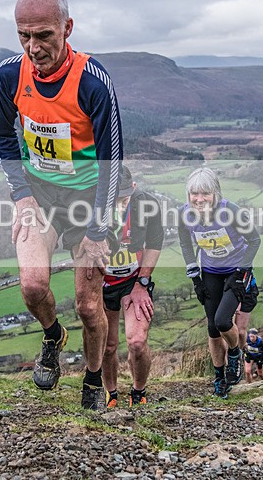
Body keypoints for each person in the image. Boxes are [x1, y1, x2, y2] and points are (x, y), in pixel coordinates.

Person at [0, 0, 123, 411]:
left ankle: (91, 381)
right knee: (32, 286)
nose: (34, 48)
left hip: (88, 203)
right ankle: (52, 335)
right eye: (24, 36)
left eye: (44, 35)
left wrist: (98, 231)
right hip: (42, 200)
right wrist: (21, 197)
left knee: (89, 306)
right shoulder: (9, 76)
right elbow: (2, 137)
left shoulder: (92, 82)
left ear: (67, 28)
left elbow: (112, 160)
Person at [177, 167, 261, 398]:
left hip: (236, 271)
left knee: (223, 320)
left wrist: (242, 271)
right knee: (213, 329)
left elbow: (254, 240)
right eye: (195, 194)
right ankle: (219, 377)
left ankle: (234, 353)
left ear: (215, 193)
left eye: (205, 193)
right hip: (210, 272)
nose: (200, 199)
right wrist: (195, 277)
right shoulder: (185, 214)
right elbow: (185, 244)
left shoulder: (230, 211)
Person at [102, 166, 163, 408]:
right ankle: (111, 394)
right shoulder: (89, 205)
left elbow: (155, 242)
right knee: (107, 346)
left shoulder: (148, 205)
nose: (119, 205)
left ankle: (138, 391)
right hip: (103, 283)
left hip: (133, 281)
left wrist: (142, 282)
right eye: (113, 200)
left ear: (134, 188)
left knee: (137, 342)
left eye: (124, 199)